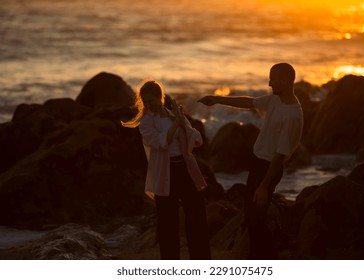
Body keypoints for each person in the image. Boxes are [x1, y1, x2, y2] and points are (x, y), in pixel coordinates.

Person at [198, 63, 303, 259]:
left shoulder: (292, 115)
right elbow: (249, 102)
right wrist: (217, 99)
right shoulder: (275, 100)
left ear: (288, 81)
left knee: (256, 220)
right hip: (258, 163)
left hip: (269, 168)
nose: (269, 82)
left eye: (274, 78)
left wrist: (264, 186)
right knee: (253, 218)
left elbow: (280, 156)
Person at [122, 80, 211, 260]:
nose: (148, 105)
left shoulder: (173, 115)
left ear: (160, 97)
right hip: (164, 172)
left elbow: (197, 139)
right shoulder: (146, 122)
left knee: (196, 214)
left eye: (151, 101)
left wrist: (183, 123)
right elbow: (160, 143)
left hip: (184, 168)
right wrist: (178, 124)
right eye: (145, 102)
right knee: (168, 223)